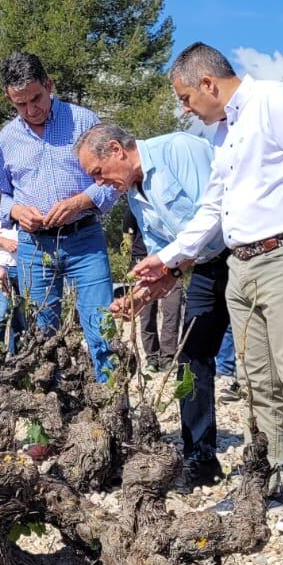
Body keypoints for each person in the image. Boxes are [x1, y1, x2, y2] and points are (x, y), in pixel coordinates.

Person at [134, 42, 283, 536]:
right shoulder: (224, 135)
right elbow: (212, 210)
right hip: (241, 264)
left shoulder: (274, 100)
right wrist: (166, 258)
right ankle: (261, 476)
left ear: (208, 84)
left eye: (186, 98)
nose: (186, 109)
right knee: (256, 384)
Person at [79, 123, 228, 487]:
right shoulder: (133, 192)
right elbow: (167, 257)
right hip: (205, 267)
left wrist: (169, 262)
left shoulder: (180, 149)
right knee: (191, 357)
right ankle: (201, 460)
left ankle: (272, 462)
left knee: (260, 358)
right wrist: (141, 295)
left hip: (241, 257)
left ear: (116, 149)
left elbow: (214, 217)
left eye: (98, 172)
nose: (99, 183)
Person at [0, 52, 115, 378]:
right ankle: (52, 416)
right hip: (33, 246)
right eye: (20, 104)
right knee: (40, 338)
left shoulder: (84, 121)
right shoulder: (7, 138)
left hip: (86, 240)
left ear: (49, 85)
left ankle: (113, 413)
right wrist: (15, 210)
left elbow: (114, 176)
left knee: (101, 328)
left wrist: (82, 201)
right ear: (8, 98)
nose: (31, 110)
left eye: (36, 98)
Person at [121, 208, 182, 371]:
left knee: (172, 310)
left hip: (172, 261)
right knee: (146, 313)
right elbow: (127, 234)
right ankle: (152, 357)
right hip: (142, 259)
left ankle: (167, 357)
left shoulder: (168, 203)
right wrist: (131, 259)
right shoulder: (134, 205)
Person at [0, 209, 25, 356]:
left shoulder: (25, 199)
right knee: (1, 314)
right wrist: (3, 242)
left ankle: (18, 357)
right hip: (0, 265)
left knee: (21, 316)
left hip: (25, 267)